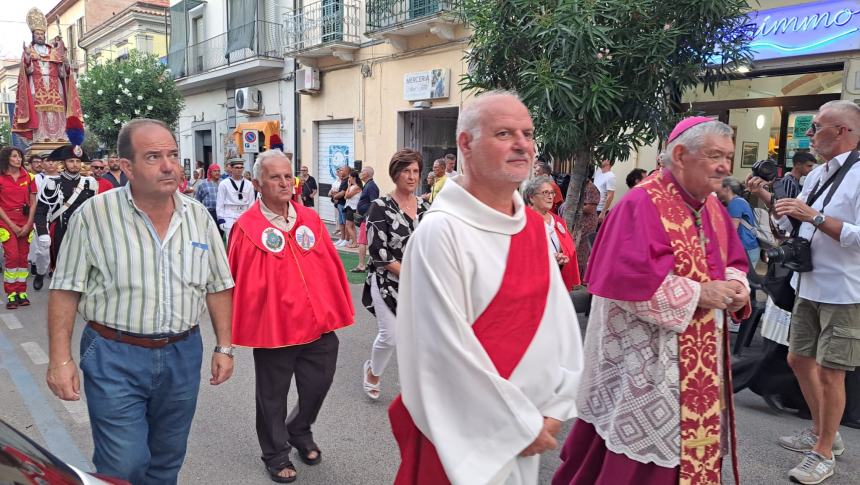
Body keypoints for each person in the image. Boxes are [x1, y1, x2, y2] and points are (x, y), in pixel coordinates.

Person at [390, 90, 584, 484]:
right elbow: (441, 354)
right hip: (465, 439)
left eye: (527, 134)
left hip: (530, 427)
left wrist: (556, 405)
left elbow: (558, 321)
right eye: (504, 133)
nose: (522, 145)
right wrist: (519, 424)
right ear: (466, 143)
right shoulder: (440, 233)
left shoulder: (532, 226)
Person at [553, 117, 751, 485]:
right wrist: (699, 293)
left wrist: (738, 284)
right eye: (714, 156)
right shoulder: (642, 203)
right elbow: (625, 281)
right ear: (679, 154)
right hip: (647, 364)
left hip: (699, 361)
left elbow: (733, 261)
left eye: (728, 156)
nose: (725, 166)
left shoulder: (710, 206)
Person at [45, 119, 235, 485]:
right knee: (124, 463)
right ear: (127, 167)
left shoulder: (198, 217)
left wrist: (225, 347)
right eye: (153, 157)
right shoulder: (94, 216)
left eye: (172, 155)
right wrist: (60, 359)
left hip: (182, 353)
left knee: (167, 459)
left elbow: (218, 285)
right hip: (114, 353)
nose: (169, 166)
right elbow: (65, 289)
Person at [227, 149, 354, 484]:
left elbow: (329, 268)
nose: (284, 183)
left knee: (319, 382)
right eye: (275, 177)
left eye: (288, 176)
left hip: (318, 326)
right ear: (258, 183)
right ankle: (276, 453)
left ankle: (299, 428)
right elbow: (240, 281)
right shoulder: (246, 228)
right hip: (275, 329)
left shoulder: (309, 219)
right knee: (272, 397)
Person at [769, 100, 860, 484]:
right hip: (807, 281)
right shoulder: (818, 173)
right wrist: (784, 218)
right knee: (798, 360)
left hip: (844, 289)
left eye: (817, 126)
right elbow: (806, 225)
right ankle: (826, 432)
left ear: (842, 131)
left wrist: (816, 217)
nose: (809, 132)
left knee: (830, 373)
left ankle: (822, 453)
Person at [361, 150, 430, 399]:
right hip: (385, 281)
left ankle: (412, 385)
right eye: (406, 171)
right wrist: (412, 276)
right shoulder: (380, 207)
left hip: (417, 284)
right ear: (395, 174)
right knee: (390, 335)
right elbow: (379, 253)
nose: (412, 177)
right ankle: (372, 372)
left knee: (416, 337)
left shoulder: (425, 206)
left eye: (415, 172)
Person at [13, 8, 83, 143]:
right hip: (36, 86)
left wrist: (65, 62)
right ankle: (41, 137)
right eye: (37, 34)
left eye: (41, 34)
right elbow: (27, 71)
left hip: (55, 87)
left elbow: (63, 73)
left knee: (59, 112)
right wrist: (27, 56)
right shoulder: (29, 51)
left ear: (44, 35)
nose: (40, 36)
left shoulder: (55, 52)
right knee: (40, 112)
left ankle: (60, 137)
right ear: (33, 36)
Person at [34, 143, 97, 275]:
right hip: (61, 229)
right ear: (64, 163)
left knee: (82, 269)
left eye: (77, 161)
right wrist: (42, 232)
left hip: (82, 230)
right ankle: (41, 275)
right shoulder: (52, 182)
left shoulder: (89, 182)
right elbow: (41, 211)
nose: (75, 164)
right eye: (71, 161)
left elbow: (94, 209)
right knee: (60, 268)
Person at [523, 176, 580, 290]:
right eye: (545, 193)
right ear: (532, 198)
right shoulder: (524, 220)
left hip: (558, 277)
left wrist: (561, 259)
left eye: (552, 193)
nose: (550, 196)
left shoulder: (558, 220)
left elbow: (568, 248)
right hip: (535, 281)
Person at [0, 147, 36, 309]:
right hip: (6, 222)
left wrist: (29, 223)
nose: (18, 159)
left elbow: (33, 201)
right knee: (12, 256)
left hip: (26, 221)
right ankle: (11, 293)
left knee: (23, 258)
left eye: (20, 156)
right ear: (7, 158)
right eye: (14, 156)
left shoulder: (29, 177)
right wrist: (12, 225)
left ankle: (22, 291)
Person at [718, 177, 760, 266]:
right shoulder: (740, 201)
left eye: (719, 187)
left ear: (727, 188)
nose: (716, 190)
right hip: (750, 247)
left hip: (745, 249)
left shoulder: (735, 203)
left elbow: (732, 230)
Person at [216, 158, 254, 243]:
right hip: (229, 214)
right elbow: (220, 203)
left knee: (244, 241)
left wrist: (251, 218)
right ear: (231, 169)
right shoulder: (224, 184)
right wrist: (220, 219)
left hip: (244, 214)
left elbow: (251, 203)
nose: (239, 170)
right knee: (231, 241)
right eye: (236, 167)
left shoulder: (249, 184)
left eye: (241, 168)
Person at [572, 172, 600, 279]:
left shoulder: (591, 188)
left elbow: (590, 209)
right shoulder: (581, 186)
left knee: (582, 250)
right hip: (580, 221)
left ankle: (580, 277)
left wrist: (573, 206)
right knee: (577, 248)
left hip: (587, 222)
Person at [352, 166, 379, 273]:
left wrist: (366, 216)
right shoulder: (368, 185)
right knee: (368, 241)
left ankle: (361, 265)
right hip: (367, 217)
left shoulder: (371, 186)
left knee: (362, 241)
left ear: (367, 174)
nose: (360, 173)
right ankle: (368, 263)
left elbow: (374, 203)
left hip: (368, 218)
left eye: (362, 171)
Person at [328, 165, 349, 245]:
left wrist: (335, 196)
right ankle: (342, 238)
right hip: (339, 204)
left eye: (341, 170)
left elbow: (343, 193)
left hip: (343, 204)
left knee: (345, 223)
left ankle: (346, 239)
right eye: (339, 170)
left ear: (346, 171)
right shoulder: (342, 180)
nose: (339, 172)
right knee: (341, 222)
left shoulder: (347, 180)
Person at [342, 169, 363, 249]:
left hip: (352, 208)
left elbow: (347, 196)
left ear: (354, 178)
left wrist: (348, 186)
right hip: (349, 207)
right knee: (352, 226)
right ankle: (355, 242)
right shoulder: (352, 187)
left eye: (350, 177)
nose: (349, 179)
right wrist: (348, 187)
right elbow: (345, 196)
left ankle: (355, 242)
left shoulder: (357, 187)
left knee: (348, 226)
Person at [594, 159, 616, 223]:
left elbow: (610, 195)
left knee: (597, 232)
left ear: (608, 162)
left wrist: (603, 212)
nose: (599, 160)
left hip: (600, 210)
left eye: (603, 159)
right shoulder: (598, 172)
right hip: (593, 208)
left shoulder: (611, 176)